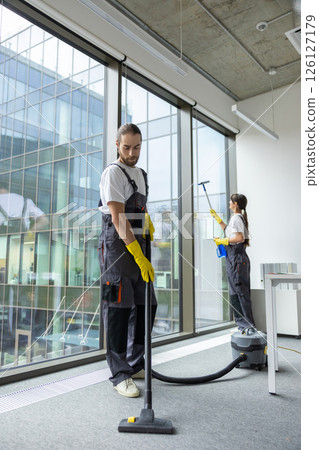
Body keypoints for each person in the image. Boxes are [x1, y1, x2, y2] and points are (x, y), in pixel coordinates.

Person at [98, 123, 157, 398]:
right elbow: (119, 219)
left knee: (147, 304)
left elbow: (138, 209)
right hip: (118, 248)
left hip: (138, 244)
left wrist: (148, 223)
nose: (132, 153)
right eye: (126, 147)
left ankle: (135, 363)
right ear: (117, 145)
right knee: (119, 310)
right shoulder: (113, 173)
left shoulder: (141, 174)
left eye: (137, 147)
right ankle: (119, 374)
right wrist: (138, 256)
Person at [210, 193, 255, 330]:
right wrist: (218, 220)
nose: (229, 202)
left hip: (237, 259)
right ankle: (242, 325)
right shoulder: (236, 218)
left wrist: (223, 241)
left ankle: (248, 326)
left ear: (235, 204)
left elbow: (239, 238)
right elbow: (230, 232)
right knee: (235, 293)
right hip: (234, 259)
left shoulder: (236, 218)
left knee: (240, 293)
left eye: (231, 201)